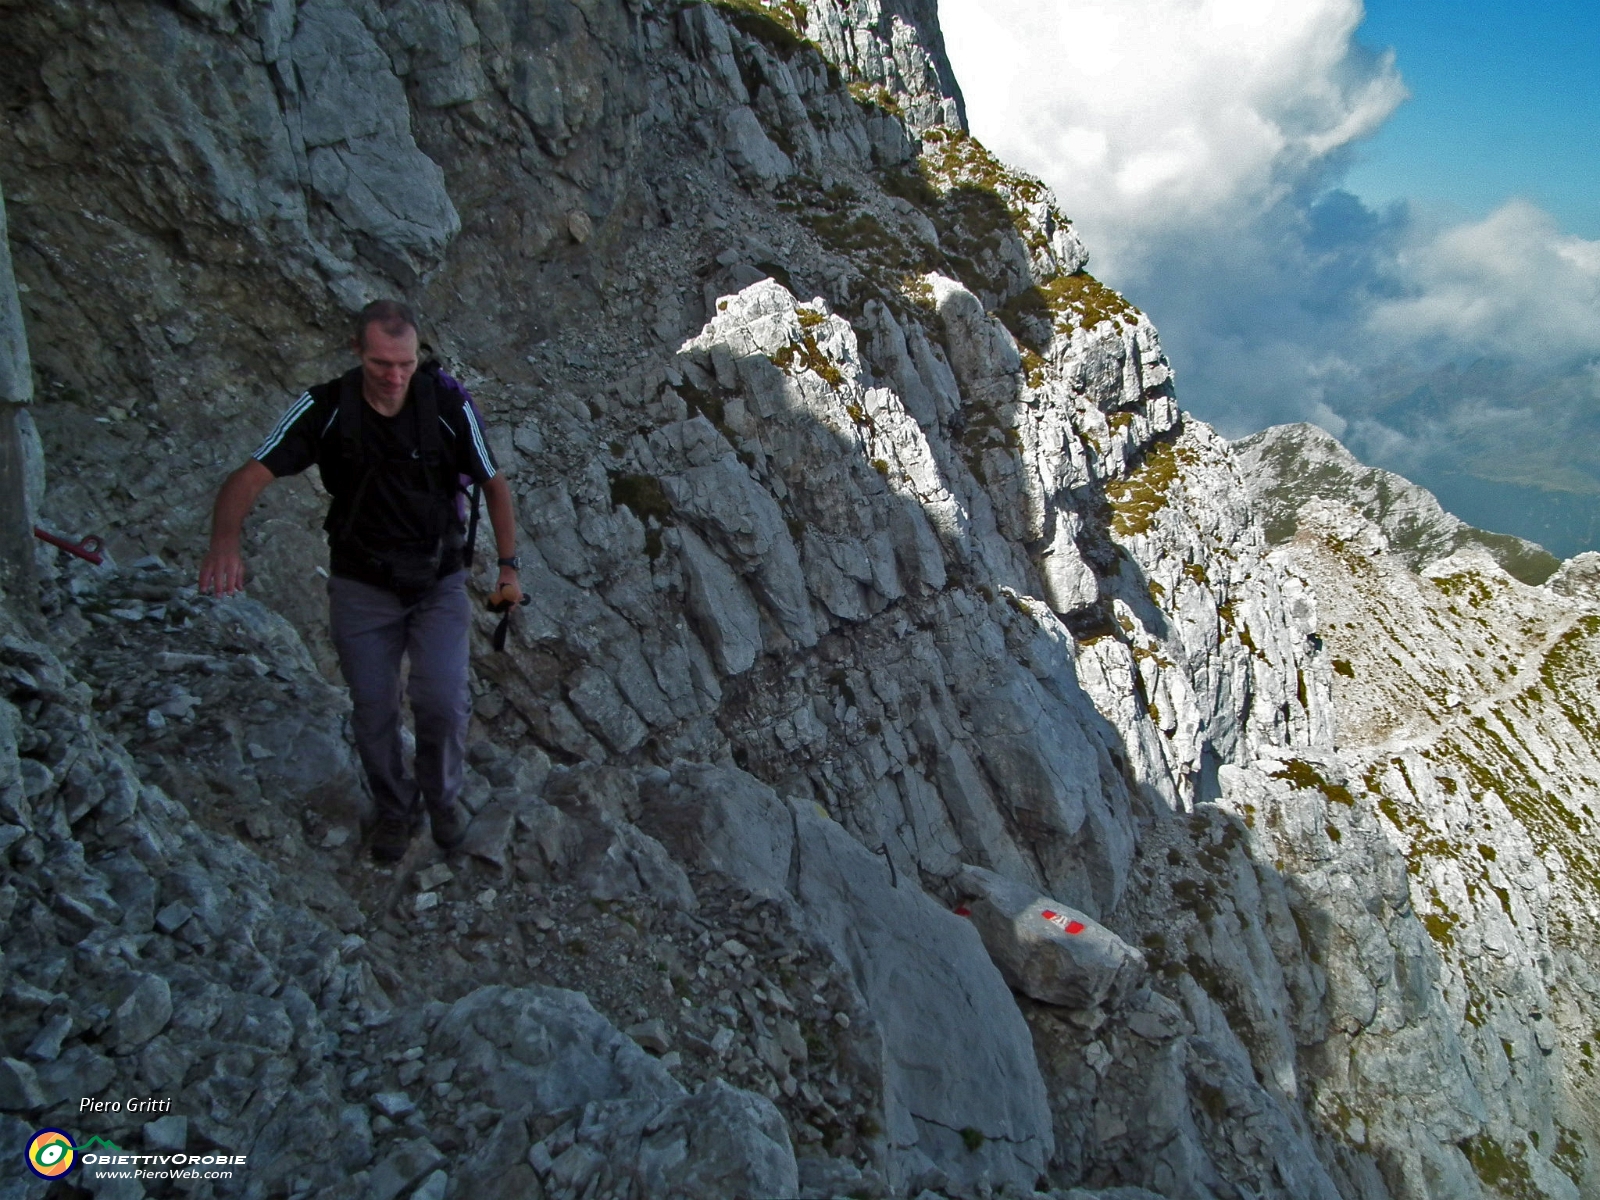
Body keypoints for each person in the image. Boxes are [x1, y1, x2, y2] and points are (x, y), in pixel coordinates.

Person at [199, 300, 523, 863]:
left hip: (437, 579)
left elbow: (494, 484)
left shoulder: (444, 403)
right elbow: (248, 476)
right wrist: (225, 542)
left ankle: (442, 798)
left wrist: (508, 568)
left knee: (442, 701)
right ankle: (395, 808)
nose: (395, 376)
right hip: (361, 585)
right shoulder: (325, 407)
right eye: (380, 364)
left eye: (405, 362)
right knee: (373, 707)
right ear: (357, 353)